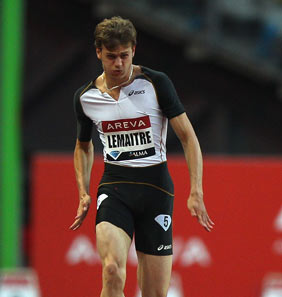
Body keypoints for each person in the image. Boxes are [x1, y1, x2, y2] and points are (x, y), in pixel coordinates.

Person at [69, 17, 214, 297]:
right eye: (111, 57)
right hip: (115, 188)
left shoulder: (156, 83)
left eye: (124, 55)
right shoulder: (85, 98)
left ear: (134, 50)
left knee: (155, 293)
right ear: (98, 52)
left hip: (155, 190)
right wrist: (83, 191)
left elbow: (189, 138)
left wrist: (196, 190)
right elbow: (83, 146)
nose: (119, 64)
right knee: (111, 270)